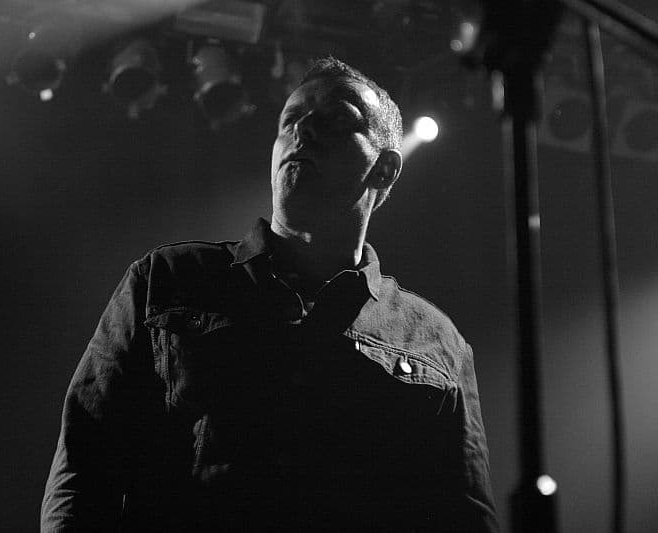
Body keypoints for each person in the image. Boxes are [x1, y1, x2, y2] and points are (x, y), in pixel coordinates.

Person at [41, 57, 499, 532]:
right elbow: (83, 471)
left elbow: (466, 517)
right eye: (290, 119)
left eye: (336, 118)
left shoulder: (437, 342)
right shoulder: (166, 281)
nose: (302, 130)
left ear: (384, 168)